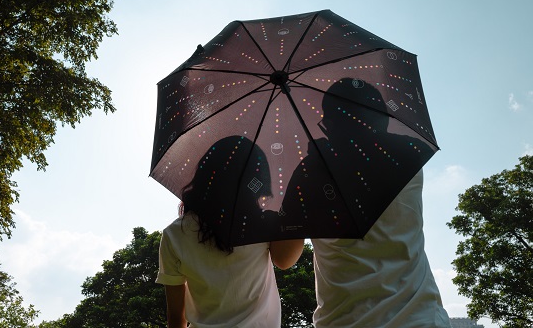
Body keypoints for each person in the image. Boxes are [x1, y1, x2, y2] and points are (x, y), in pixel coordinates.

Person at [291, 79, 451, 327]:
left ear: (330, 124)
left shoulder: (310, 171)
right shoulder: (410, 153)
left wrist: (312, 161)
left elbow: (286, 257)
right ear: (383, 118)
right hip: (420, 318)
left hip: (342, 321)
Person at [156, 136, 304, 328]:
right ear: (256, 180)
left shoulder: (174, 234)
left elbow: (176, 318)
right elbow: (285, 261)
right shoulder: (263, 221)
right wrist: (298, 208)